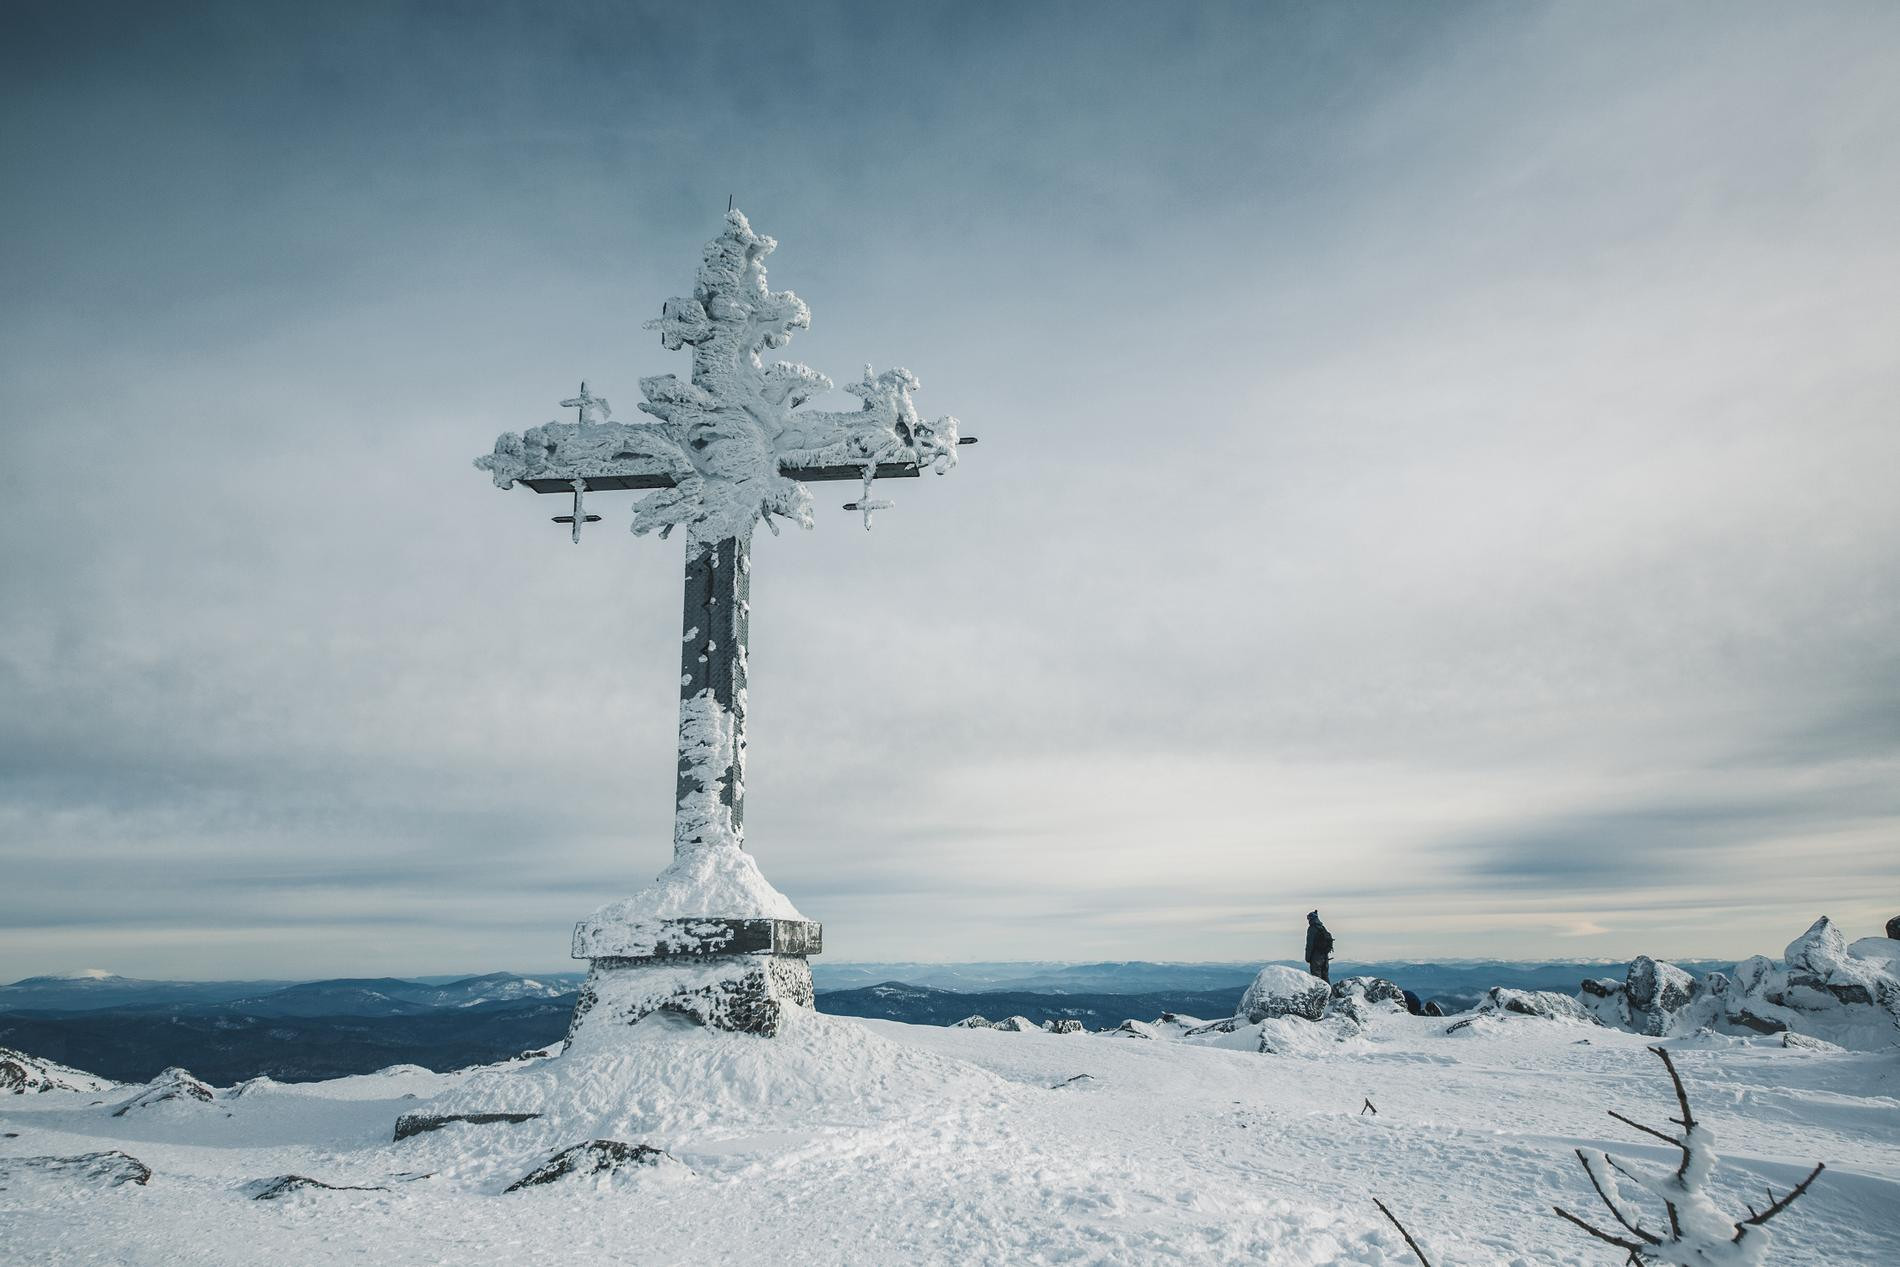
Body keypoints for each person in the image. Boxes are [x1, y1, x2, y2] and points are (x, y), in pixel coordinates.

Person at [1304, 910, 1333, 982]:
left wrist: (1307, 957)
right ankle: (1329, 992)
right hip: (1325, 956)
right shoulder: (1322, 928)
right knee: (1325, 976)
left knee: (1316, 978)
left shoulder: (1312, 929)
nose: (1308, 920)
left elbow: (1309, 944)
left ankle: (1319, 993)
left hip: (1316, 957)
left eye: (1309, 918)